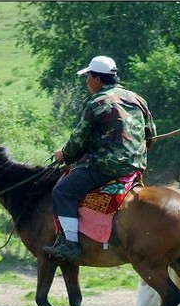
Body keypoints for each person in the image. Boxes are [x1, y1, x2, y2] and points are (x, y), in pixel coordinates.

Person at [43, 55, 157, 261]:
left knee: (62, 191)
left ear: (97, 78)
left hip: (105, 167)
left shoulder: (96, 102)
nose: (87, 81)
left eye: (88, 76)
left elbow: (79, 140)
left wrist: (64, 155)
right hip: (136, 167)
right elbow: (150, 136)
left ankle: (70, 243)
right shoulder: (137, 99)